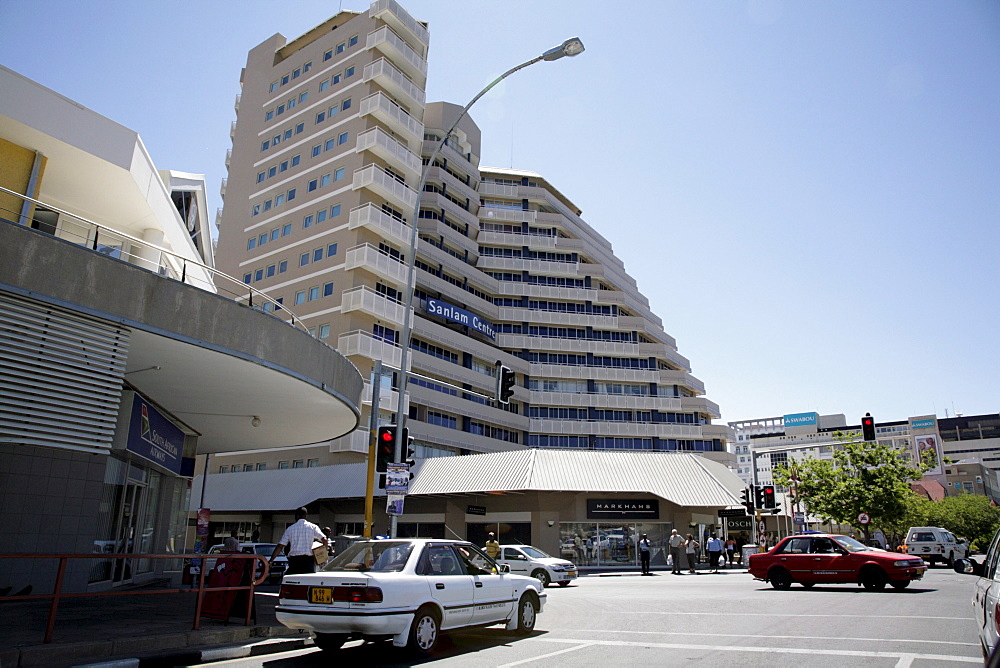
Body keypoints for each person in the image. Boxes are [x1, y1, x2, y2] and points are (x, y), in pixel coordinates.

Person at [269, 507, 328, 575]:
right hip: (308, 561)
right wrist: (322, 554)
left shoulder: (290, 529)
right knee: (306, 582)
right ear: (306, 516)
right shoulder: (313, 527)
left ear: (296, 516)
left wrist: (271, 560)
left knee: (292, 581)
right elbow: (325, 539)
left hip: (294, 561)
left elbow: (280, 546)